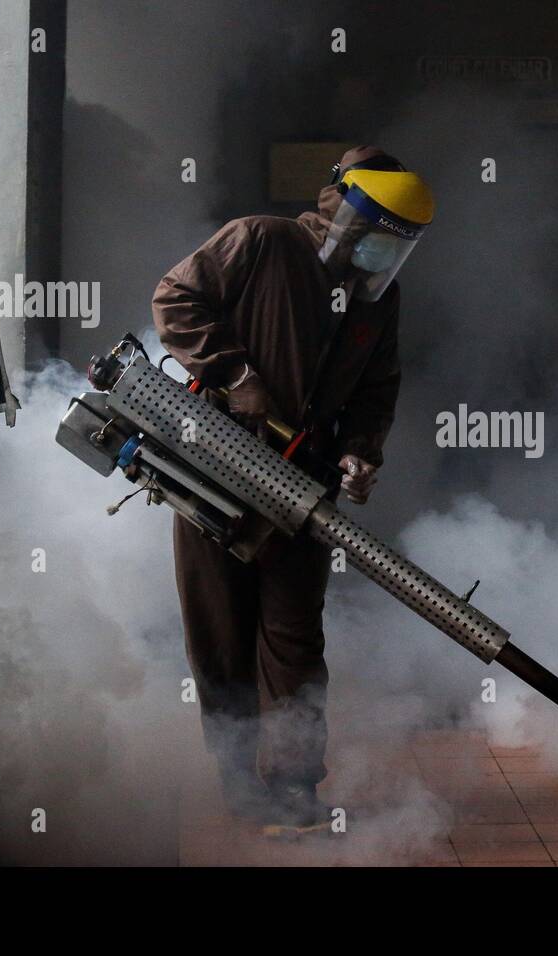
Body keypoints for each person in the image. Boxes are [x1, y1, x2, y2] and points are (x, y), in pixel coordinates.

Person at [151, 146, 434, 826]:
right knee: (221, 637)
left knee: (295, 643)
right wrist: (237, 376)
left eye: (397, 244)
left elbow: (376, 387)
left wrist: (362, 454)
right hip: (216, 472)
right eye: (375, 237)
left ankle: (296, 786)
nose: (380, 254)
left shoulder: (377, 298)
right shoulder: (262, 241)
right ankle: (238, 782)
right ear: (345, 217)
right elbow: (176, 299)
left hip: (303, 493)